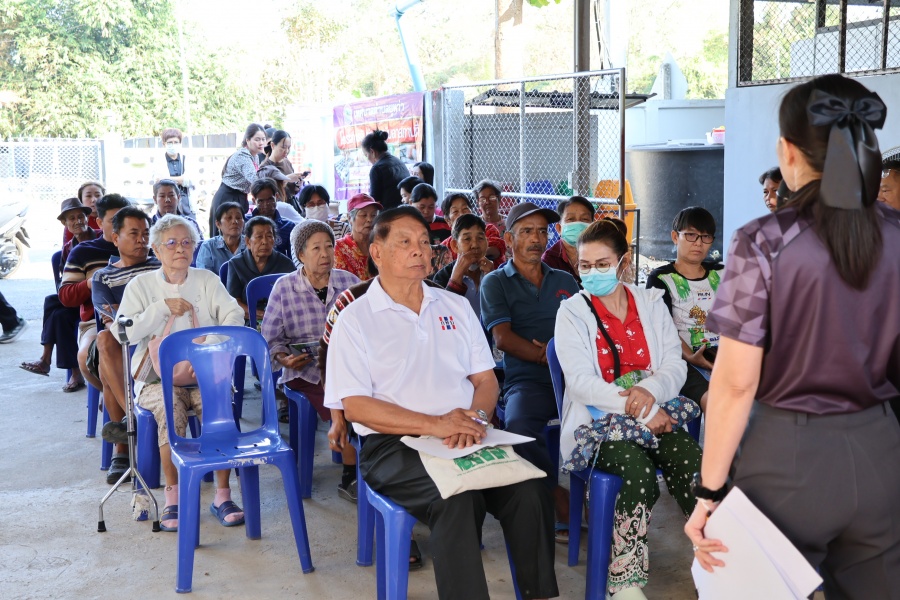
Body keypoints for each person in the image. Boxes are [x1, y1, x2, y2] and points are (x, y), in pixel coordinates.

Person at [684, 74, 900, 598]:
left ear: (788, 152)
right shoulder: (896, 233)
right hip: (881, 450)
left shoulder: (763, 241)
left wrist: (709, 491)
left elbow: (735, 384)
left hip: (787, 458)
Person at [324, 206, 559, 600]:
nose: (419, 250)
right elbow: (357, 408)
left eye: (423, 242)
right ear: (377, 252)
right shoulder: (355, 319)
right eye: (405, 242)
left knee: (530, 489)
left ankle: (539, 595)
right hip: (393, 445)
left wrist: (477, 418)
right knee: (457, 500)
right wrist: (437, 425)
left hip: (466, 433)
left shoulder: (454, 306)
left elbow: (485, 380)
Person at [556, 219, 700, 600]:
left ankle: (715, 561)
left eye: (602, 264)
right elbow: (581, 383)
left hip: (656, 411)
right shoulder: (572, 312)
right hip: (600, 423)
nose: (592, 273)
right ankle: (624, 581)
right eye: (585, 265)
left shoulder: (650, 304)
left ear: (623, 262)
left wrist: (649, 392)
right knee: (636, 472)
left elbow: (675, 365)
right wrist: (640, 410)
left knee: (691, 460)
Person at [112, 214, 246, 532]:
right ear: (157, 250)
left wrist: (207, 348)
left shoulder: (207, 280)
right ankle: (173, 496)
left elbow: (234, 314)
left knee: (218, 407)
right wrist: (161, 308)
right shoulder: (141, 285)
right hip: (156, 379)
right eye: (171, 243)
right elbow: (121, 333)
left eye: (186, 242)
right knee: (170, 409)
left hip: (202, 373)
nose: (180, 248)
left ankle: (222, 494)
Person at [480, 201, 580, 539]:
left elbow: (584, 328)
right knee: (518, 427)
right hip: (528, 381)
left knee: (611, 417)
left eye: (541, 231)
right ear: (509, 239)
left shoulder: (564, 279)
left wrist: (564, 357)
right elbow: (503, 338)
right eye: (526, 232)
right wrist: (547, 356)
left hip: (574, 378)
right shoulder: (495, 282)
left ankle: (600, 499)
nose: (536, 239)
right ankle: (554, 495)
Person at [260, 220, 360, 500]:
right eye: (316, 248)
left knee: (372, 394)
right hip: (305, 370)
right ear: (301, 254)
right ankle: (351, 475)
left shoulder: (349, 282)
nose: (325, 254)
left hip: (347, 365)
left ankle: (371, 462)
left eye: (329, 246)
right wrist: (284, 358)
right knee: (347, 401)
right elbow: (270, 338)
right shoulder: (284, 287)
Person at [92, 207, 161, 483]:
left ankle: (123, 446)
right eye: (134, 233)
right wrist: (148, 313)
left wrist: (142, 315)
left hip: (160, 341)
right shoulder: (103, 276)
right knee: (105, 340)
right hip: (124, 343)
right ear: (115, 237)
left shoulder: (161, 265)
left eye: (146, 233)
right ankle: (136, 420)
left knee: (109, 374)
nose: (142, 240)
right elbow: (115, 321)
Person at [646, 207, 722, 412]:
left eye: (705, 237)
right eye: (690, 235)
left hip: (725, 353)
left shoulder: (722, 272)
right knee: (716, 402)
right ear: (675, 237)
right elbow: (662, 327)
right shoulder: (661, 278)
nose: (698, 243)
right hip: (683, 358)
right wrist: (690, 356)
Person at [19, 198, 97, 391]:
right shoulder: (68, 248)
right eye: (72, 218)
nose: (77, 221)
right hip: (77, 297)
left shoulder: (99, 238)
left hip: (95, 297)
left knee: (54, 307)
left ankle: (47, 360)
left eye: (81, 216)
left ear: (87, 218)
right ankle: (70, 371)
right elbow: (65, 283)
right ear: (65, 223)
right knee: (57, 311)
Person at [59, 193, 130, 392]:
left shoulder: (141, 248)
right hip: (95, 321)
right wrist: (91, 283)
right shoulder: (83, 251)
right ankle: (119, 399)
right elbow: (66, 296)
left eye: (125, 221)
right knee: (86, 357)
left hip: (140, 318)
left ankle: (124, 400)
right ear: (99, 222)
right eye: (114, 221)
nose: (120, 227)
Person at [225, 216, 294, 322]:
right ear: (248, 241)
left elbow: (294, 297)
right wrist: (259, 314)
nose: (265, 241)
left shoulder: (286, 264)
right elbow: (233, 301)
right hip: (247, 320)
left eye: (269, 236)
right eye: (259, 237)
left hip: (281, 318)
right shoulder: (236, 264)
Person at [208, 124, 267, 237]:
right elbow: (255, 180)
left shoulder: (254, 156)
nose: (261, 143)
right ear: (247, 140)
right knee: (224, 238)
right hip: (228, 197)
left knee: (237, 237)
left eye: (263, 139)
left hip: (240, 196)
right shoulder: (242, 156)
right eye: (257, 139)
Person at [432, 213, 494, 318]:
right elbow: (441, 315)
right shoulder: (442, 277)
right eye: (467, 239)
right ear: (455, 245)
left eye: (480, 238)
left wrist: (492, 279)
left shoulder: (492, 271)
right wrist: (456, 278)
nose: (475, 245)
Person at [439, 192, 506, 268]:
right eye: (455, 212)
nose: (462, 214)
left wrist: (475, 255)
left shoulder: (487, 229)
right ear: (448, 220)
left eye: (465, 209)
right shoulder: (445, 247)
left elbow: (496, 250)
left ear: (472, 211)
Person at [542, 196, 596, 286]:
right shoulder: (549, 260)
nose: (578, 224)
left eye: (585, 219)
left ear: (593, 226)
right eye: (570, 219)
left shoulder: (601, 254)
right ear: (559, 228)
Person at [334, 193, 380, 281]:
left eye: (373, 215)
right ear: (349, 218)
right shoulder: (339, 248)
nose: (370, 220)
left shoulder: (381, 245)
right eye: (364, 215)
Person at [361, 129, 408, 209]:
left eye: (366, 155)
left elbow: (375, 202)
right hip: (404, 211)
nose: (367, 158)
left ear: (372, 152)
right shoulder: (399, 162)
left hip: (389, 214)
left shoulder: (377, 169)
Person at [249, 178, 296, 257]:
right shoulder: (245, 223)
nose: (266, 204)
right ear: (254, 201)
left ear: (276, 197)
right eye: (261, 201)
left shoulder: (288, 226)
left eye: (270, 199)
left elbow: (292, 257)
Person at [195, 202, 246, 275]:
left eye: (238, 218)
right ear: (218, 224)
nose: (235, 221)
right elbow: (204, 277)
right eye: (229, 218)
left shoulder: (251, 244)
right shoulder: (209, 246)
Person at [156, 127, 195, 218]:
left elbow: (189, 180)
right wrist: (180, 180)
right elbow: (160, 182)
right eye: (170, 142)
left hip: (186, 204)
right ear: (164, 144)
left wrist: (167, 179)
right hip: (168, 203)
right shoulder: (159, 161)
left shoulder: (186, 159)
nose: (173, 145)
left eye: (176, 142)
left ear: (180, 143)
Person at [259, 130, 305, 201]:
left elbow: (292, 191)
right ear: (273, 145)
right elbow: (267, 191)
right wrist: (286, 179)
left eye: (288, 147)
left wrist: (297, 185)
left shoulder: (287, 162)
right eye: (283, 147)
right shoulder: (265, 167)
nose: (286, 151)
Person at [63, 181, 104, 246]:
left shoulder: (110, 218)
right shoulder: (72, 224)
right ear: (81, 200)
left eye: (98, 195)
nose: (94, 200)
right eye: (88, 196)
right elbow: (68, 248)